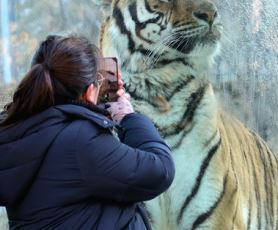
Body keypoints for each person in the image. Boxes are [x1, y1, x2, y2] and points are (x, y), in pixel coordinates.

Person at [0, 35, 175, 230]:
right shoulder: (80, 140)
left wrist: (94, 113)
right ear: (90, 90)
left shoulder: (21, 130)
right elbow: (160, 170)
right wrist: (127, 117)